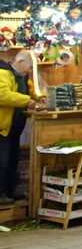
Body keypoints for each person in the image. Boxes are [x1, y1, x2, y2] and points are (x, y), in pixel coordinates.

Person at [0, 51, 42, 204]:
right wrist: (26, 100)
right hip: (2, 127)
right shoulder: (3, 73)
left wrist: (39, 97)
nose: (30, 71)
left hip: (14, 128)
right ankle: (1, 194)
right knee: (2, 161)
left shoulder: (22, 78)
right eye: (30, 68)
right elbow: (2, 94)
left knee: (12, 161)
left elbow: (29, 92)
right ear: (19, 61)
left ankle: (8, 193)